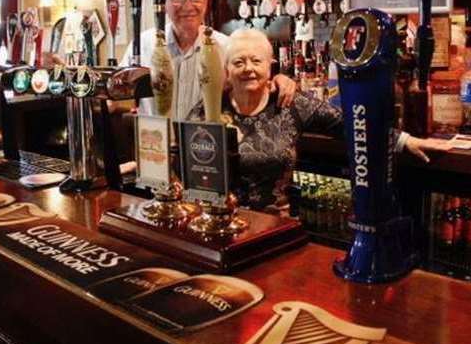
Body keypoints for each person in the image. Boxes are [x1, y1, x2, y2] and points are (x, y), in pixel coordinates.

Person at [187, 29, 450, 212]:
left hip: (275, 228)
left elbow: (350, 126)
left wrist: (404, 140)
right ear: (226, 70)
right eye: (238, 62)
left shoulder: (290, 103)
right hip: (222, 223)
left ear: (270, 67)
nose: (248, 69)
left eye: (257, 60)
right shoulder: (210, 108)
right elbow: (188, 159)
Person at [120, 0, 296, 120]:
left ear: (206, 2)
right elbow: (119, 92)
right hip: (156, 146)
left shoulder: (225, 46)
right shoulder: (143, 44)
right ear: (164, 3)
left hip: (204, 146)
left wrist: (280, 80)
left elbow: (252, 83)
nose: (188, 6)